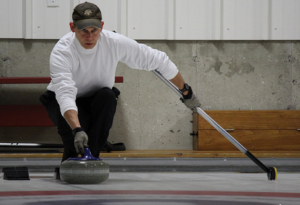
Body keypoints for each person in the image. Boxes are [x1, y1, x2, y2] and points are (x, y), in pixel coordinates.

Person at [40, 2, 201, 162]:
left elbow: (159, 60)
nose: (89, 36)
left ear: (102, 26)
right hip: (62, 102)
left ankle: (90, 161)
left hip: (98, 100)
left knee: (108, 96)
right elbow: (65, 94)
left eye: (94, 30)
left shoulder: (113, 42)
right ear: (72, 27)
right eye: (83, 31)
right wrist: (77, 129)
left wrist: (186, 91)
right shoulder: (62, 51)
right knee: (76, 142)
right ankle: (77, 161)